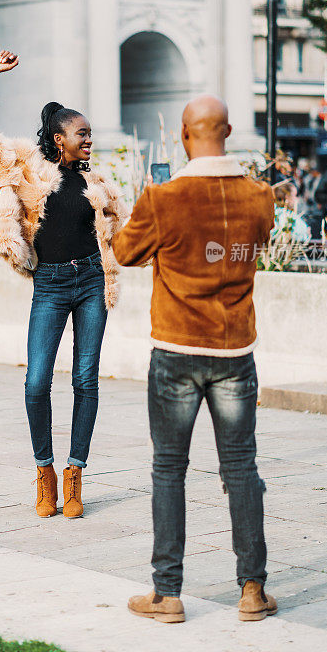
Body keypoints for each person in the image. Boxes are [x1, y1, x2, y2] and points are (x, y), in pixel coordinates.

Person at [112, 95, 277, 624]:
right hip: (235, 351)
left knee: (168, 469)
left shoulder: (164, 197)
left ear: (184, 135)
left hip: (178, 349)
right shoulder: (261, 196)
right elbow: (260, 245)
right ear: (227, 130)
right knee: (242, 468)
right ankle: (252, 591)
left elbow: (123, 252)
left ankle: (167, 594)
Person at [0, 49, 127, 519]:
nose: (89, 139)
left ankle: (75, 474)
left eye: (89, 133)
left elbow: (123, 237)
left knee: (86, 380)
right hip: (49, 284)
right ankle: (44, 473)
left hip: (91, 282)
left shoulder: (100, 181)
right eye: (81, 133)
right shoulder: (26, 167)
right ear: (58, 137)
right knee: (35, 383)